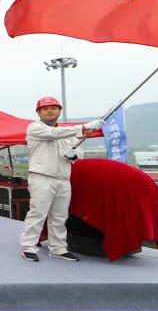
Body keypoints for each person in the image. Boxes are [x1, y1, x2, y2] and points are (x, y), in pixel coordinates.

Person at [19, 97, 104, 263]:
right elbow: (53, 134)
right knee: (38, 213)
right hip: (41, 178)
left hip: (63, 179)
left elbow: (79, 151)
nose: (50, 111)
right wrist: (84, 127)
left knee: (60, 216)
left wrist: (75, 155)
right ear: (38, 112)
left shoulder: (68, 134)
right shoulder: (35, 128)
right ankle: (28, 247)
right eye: (45, 108)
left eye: (54, 108)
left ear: (60, 111)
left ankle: (58, 248)